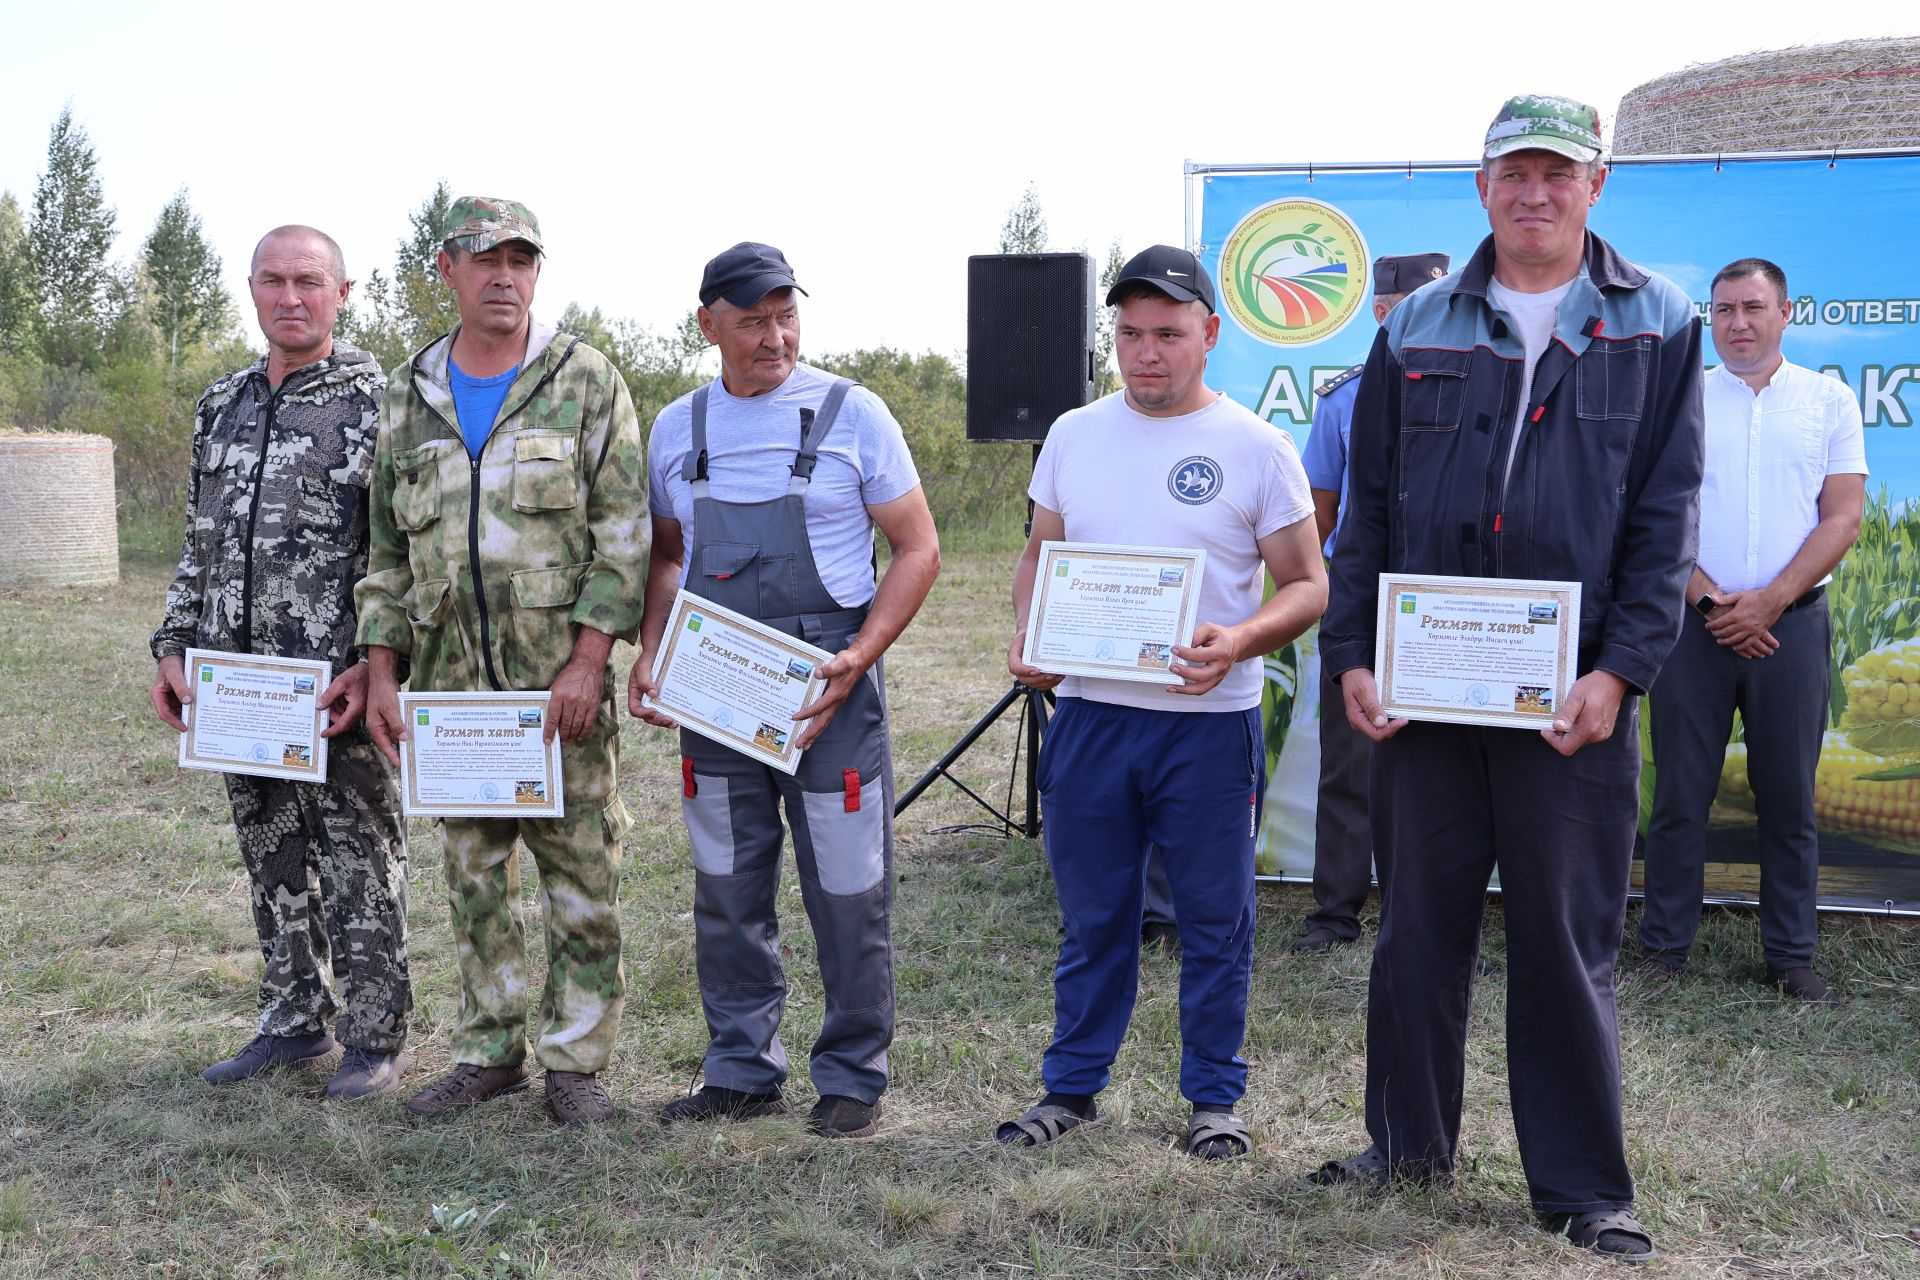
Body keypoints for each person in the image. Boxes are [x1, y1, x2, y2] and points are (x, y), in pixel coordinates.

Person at [1307, 96, 1704, 1263]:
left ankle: (1584, 1186)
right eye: (1513, 172)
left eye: (1558, 174)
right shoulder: (1418, 322)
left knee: (1564, 937)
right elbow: (1367, 510)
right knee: (1416, 927)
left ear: (1597, 186)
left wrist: (1622, 672)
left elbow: (1665, 517)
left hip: (1570, 702)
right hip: (1426, 692)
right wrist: (1353, 654)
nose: (1535, 193)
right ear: (1482, 186)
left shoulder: (1659, 322)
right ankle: (1406, 1142)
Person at [997, 245, 1325, 1159]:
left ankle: (1215, 1101)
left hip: (1207, 730)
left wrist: (1241, 642)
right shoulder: (1073, 433)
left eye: (1169, 334)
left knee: (1217, 921)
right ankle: (1070, 1090)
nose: (1147, 353)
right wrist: (1032, 634)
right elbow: (1039, 556)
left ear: (1209, 335)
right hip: (1094, 718)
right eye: (1130, 333)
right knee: (1095, 916)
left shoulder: (1258, 448)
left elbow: (1307, 585)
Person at [628, 242, 940, 1140]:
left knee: (848, 885)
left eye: (786, 315)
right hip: (715, 691)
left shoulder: (855, 414)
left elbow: (917, 548)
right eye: (753, 320)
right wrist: (651, 653)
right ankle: (738, 1068)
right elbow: (669, 557)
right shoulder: (677, 429)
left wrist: (862, 654)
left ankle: (851, 1073)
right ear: (708, 325)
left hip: (827, 691)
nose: (775, 337)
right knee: (727, 881)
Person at [355, 197, 647, 1125]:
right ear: (446, 269)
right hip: (453, 692)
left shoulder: (585, 379)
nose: (504, 276)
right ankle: (489, 1052)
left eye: (521, 259)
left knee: (582, 879)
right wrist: (382, 669)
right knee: (475, 878)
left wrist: (591, 658)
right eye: (485, 260)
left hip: (556, 687)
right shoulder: (408, 394)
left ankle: (575, 1064)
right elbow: (387, 556)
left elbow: (625, 534)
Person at [149, 225, 411, 1101]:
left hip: (335, 682)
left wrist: (379, 666)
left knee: (357, 853)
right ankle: (293, 1021)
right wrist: (174, 645)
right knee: (270, 851)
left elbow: (401, 549)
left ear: (343, 292)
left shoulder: (385, 400)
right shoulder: (221, 403)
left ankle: (374, 1036)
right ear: (252, 289)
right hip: (239, 683)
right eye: (273, 280)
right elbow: (198, 538)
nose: (290, 296)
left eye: (309, 280)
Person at [1635, 258, 1864, 1003]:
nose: (1738, 323)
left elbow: (1843, 517)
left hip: (1791, 630)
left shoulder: (1829, 401)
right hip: (1691, 630)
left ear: (1786, 313)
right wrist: (1713, 605)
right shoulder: (1682, 401)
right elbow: (1657, 519)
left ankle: (1790, 956)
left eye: (1753, 308)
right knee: (1679, 797)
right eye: (1725, 309)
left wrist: (1769, 602)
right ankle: (1665, 950)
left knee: (1790, 799)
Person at [1292, 251, 1450, 954]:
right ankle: (1335, 911)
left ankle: (1434, 915)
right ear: (1384, 312)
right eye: (1417, 304)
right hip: (1363, 601)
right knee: (1350, 762)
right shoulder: (1345, 399)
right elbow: (1318, 513)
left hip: (1451, 605)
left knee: (1447, 770)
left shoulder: (1482, 388)